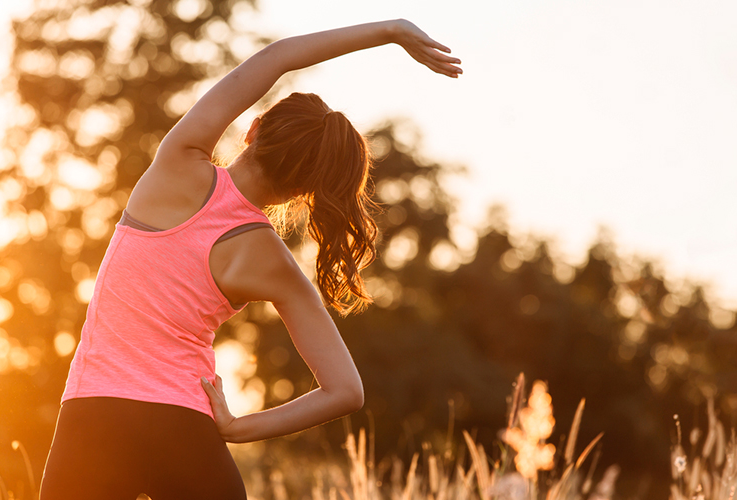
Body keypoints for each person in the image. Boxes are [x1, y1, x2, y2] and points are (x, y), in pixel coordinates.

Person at [39, 19, 461, 500]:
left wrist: (390, 31)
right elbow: (346, 391)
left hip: (93, 416)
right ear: (305, 191)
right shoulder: (274, 262)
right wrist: (239, 428)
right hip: (185, 427)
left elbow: (278, 57)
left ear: (253, 130)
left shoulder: (178, 162)